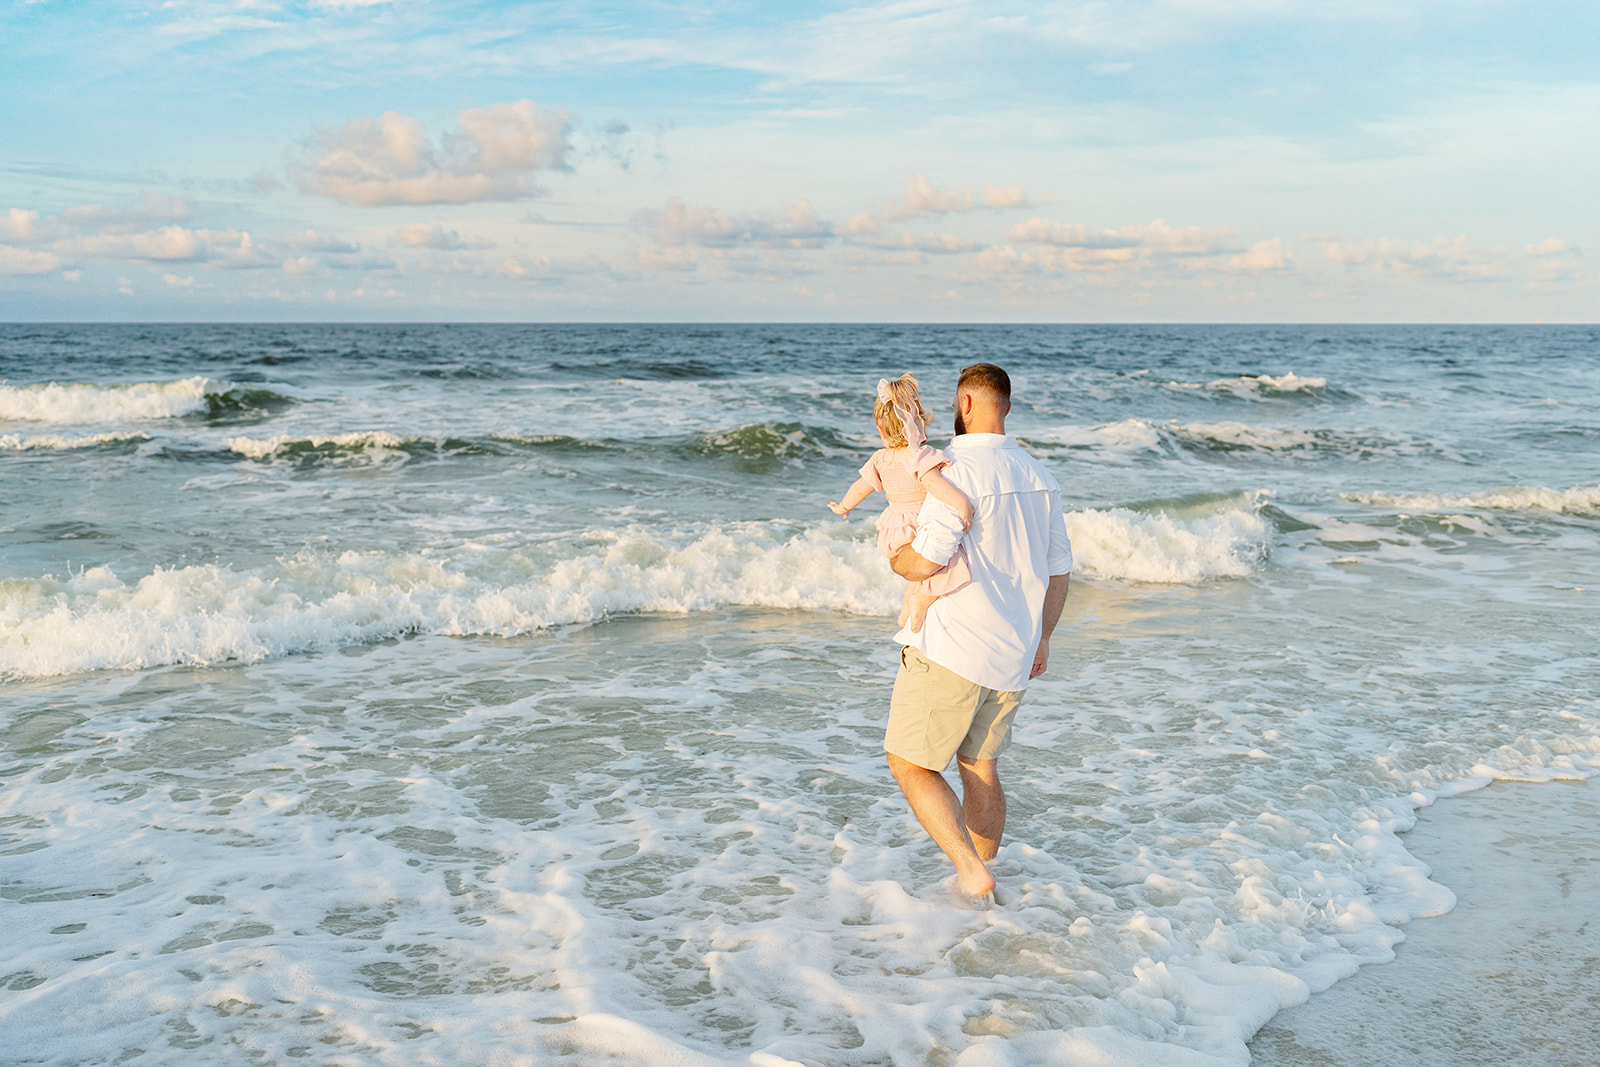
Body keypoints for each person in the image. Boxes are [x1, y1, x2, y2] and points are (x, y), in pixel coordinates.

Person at [883, 362, 1072, 898]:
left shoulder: (949, 470)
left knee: (909, 763)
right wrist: (1045, 636)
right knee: (979, 763)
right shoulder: (1040, 475)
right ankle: (976, 885)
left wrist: (898, 559)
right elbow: (1060, 567)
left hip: (952, 647)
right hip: (1014, 650)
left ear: (963, 405)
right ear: (1005, 407)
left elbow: (928, 559)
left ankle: (971, 870)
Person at [828, 373, 974, 633]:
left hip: (894, 529)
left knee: (914, 571)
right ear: (919, 421)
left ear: (880, 429)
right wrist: (963, 504)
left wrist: (843, 507)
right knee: (949, 560)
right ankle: (922, 603)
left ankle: (905, 612)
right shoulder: (920, 456)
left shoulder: (880, 459)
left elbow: (861, 488)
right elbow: (933, 484)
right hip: (920, 523)